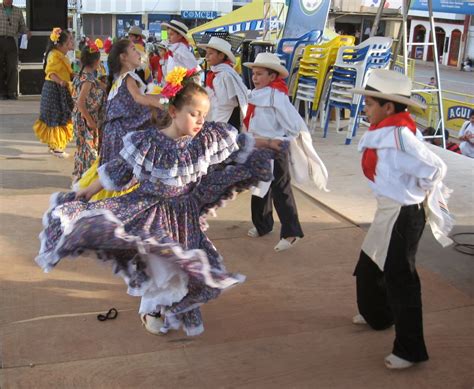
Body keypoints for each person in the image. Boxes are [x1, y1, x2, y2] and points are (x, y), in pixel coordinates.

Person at [36, 69, 282, 337]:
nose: (200, 120)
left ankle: (170, 305)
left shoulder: (206, 139)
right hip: (151, 210)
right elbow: (121, 168)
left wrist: (268, 142)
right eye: (193, 113)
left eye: (203, 114)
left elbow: (237, 142)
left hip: (185, 213)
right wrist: (90, 189)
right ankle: (150, 310)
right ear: (174, 111)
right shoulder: (148, 143)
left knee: (185, 265)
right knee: (159, 264)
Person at [350, 69, 453, 370]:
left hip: (403, 214)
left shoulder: (401, 137)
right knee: (369, 268)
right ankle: (378, 316)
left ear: (389, 108)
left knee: (401, 280)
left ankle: (410, 349)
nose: (365, 108)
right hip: (388, 211)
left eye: (369, 103)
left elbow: (436, 168)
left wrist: (417, 193)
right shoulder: (387, 131)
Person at [243, 52, 328, 252]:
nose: (255, 77)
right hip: (259, 147)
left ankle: (291, 233)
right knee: (259, 188)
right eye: (254, 73)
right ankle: (262, 225)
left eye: (260, 74)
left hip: (275, 148)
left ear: (273, 77)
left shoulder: (277, 97)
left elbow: (294, 124)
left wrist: (283, 141)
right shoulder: (255, 95)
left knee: (281, 190)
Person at [74, 39, 163, 201]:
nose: (138, 53)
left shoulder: (118, 78)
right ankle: (117, 206)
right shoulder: (128, 76)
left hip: (113, 132)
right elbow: (139, 98)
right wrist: (162, 103)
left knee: (113, 169)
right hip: (122, 133)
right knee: (123, 171)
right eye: (133, 49)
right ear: (123, 57)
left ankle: (100, 200)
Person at [33, 28, 74, 158]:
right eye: (69, 42)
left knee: (59, 116)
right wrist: (61, 82)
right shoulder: (54, 55)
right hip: (54, 90)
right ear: (60, 44)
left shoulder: (60, 55)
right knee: (56, 117)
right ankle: (57, 148)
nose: (71, 44)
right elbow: (51, 72)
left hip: (60, 89)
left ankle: (55, 146)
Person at [71, 41, 107, 183]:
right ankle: (85, 179)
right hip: (85, 119)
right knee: (89, 150)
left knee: (83, 149)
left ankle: (80, 177)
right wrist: (91, 121)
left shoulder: (82, 75)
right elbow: (80, 103)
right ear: (97, 61)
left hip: (82, 118)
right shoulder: (88, 80)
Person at [198, 36, 249, 130]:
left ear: (221, 56)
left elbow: (226, 103)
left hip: (226, 119)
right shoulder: (220, 73)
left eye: (210, 53)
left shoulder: (223, 75)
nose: (206, 57)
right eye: (206, 53)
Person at [0, 0, 31, 100]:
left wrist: (26, 32)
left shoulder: (18, 11)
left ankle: (11, 92)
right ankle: (1, 92)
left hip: (11, 40)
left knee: (12, 67)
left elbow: (22, 26)